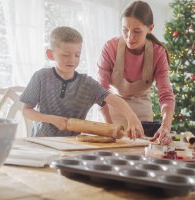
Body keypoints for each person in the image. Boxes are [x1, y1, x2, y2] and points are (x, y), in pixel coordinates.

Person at [20, 26, 143, 138]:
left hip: (72, 146)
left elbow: (113, 99)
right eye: (65, 55)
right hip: (41, 142)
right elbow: (26, 111)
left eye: (77, 55)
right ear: (50, 54)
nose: (72, 60)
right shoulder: (41, 76)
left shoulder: (87, 84)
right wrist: (52, 119)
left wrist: (131, 116)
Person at [98, 1, 175, 145]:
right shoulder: (110, 47)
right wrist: (109, 126)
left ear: (150, 28)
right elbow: (101, 92)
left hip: (143, 113)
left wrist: (165, 127)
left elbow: (165, 94)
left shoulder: (158, 53)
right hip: (113, 110)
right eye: (125, 29)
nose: (129, 37)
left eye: (137, 31)